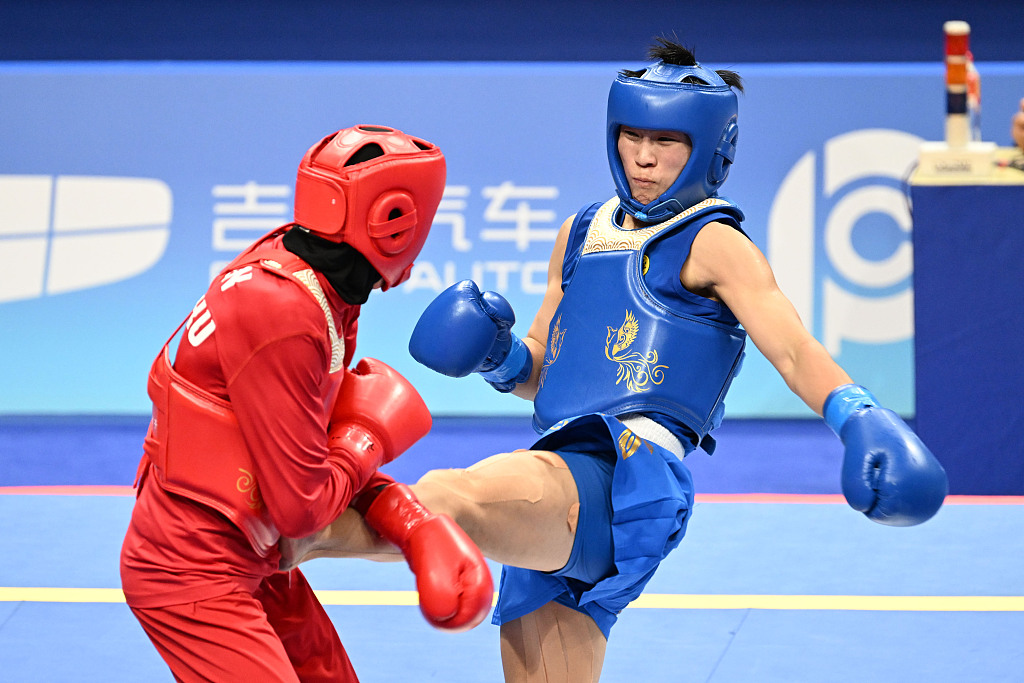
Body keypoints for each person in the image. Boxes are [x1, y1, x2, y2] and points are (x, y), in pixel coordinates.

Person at [283, 40, 948, 682]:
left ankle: (285, 536)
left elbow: (793, 346)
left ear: (710, 149)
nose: (644, 157)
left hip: (626, 471)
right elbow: (540, 368)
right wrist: (498, 355)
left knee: (453, 496)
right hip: (564, 480)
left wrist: (859, 415)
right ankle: (290, 536)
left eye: (666, 143)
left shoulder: (715, 242)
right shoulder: (580, 233)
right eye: (634, 136)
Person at [120, 124, 493, 683]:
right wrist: (368, 442)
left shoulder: (317, 286)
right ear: (394, 222)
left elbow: (303, 445)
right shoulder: (285, 314)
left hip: (253, 557)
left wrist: (413, 523)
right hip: (191, 569)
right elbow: (302, 506)